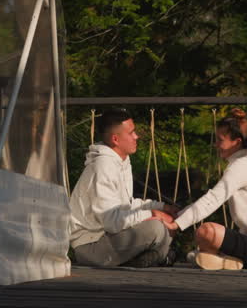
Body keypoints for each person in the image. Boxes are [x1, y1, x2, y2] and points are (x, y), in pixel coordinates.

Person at [168, 108, 247, 270]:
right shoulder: (244, 164)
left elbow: (211, 200)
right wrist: (178, 215)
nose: (216, 144)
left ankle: (221, 258)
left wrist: (176, 224)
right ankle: (227, 260)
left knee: (205, 232)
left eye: (220, 140)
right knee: (205, 235)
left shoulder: (242, 166)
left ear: (237, 142)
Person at [69, 108, 178, 267]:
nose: (136, 136)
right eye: (131, 133)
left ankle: (149, 258)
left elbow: (127, 205)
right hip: (91, 245)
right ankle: (160, 257)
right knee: (156, 228)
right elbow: (112, 222)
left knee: (168, 222)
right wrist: (154, 214)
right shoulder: (103, 167)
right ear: (115, 139)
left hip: (110, 237)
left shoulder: (121, 161)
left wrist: (163, 207)